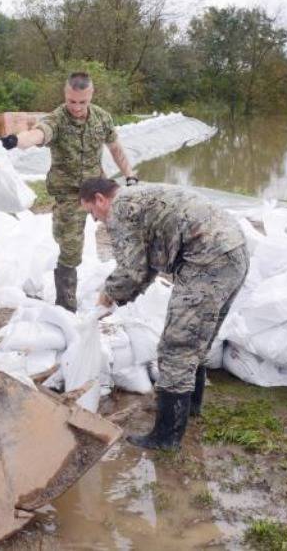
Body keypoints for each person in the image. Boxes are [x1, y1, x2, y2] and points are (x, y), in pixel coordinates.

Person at [78, 177, 249, 450]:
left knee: (175, 347)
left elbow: (131, 270)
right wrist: (119, 298)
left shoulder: (120, 209)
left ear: (100, 199)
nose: (96, 220)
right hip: (234, 251)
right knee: (198, 338)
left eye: (91, 212)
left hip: (208, 259)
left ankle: (166, 436)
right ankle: (190, 408)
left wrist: (107, 296)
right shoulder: (139, 199)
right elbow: (147, 267)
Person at [0, 72, 136, 311]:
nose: (77, 107)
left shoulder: (102, 118)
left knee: (124, 230)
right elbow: (38, 135)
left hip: (97, 189)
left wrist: (130, 175)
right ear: (66, 95)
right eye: (72, 101)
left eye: (82, 102)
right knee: (70, 247)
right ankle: (66, 304)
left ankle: (125, 288)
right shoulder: (57, 119)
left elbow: (116, 148)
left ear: (91, 95)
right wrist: (15, 141)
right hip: (70, 194)